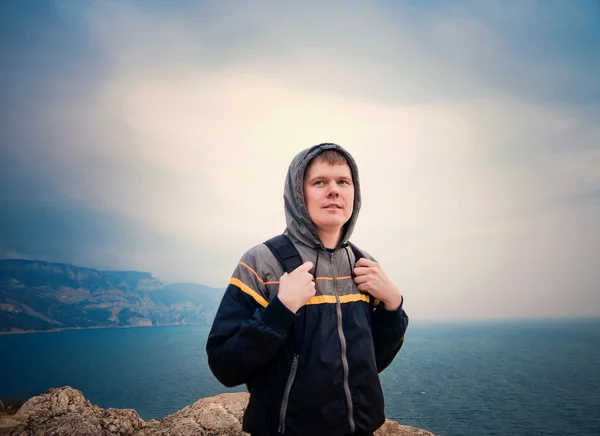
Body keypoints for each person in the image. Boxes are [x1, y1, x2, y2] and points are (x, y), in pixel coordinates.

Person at [206, 143, 409, 436]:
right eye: (319, 182)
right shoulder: (262, 262)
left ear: (355, 193)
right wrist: (280, 311)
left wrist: (393, 306)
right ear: (298, 194)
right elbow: (224, 365)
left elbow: (370, 362)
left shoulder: (365, 266)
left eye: (343, 181)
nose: (334, 190)